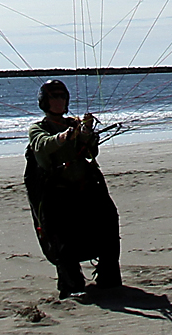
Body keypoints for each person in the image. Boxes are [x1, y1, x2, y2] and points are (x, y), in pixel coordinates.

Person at [24, 79, 121, 297]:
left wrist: (86, 132)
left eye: (62, 97)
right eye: (53, 97)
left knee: (108, 222)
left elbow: (90, 153)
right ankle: (71, 284)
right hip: (57, 193)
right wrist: (65, 136)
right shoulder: (38, 128)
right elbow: (41, 145)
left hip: (85, 188)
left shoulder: (73, 124)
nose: (59, 101)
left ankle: (109, 278)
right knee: (62, 240)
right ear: (45, 102)